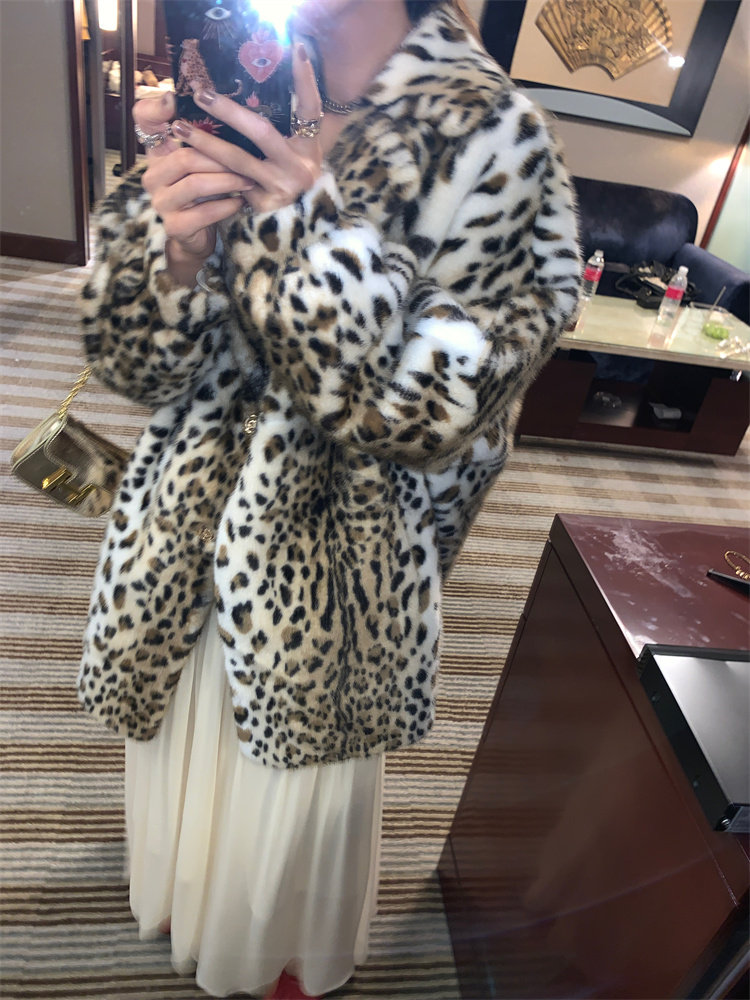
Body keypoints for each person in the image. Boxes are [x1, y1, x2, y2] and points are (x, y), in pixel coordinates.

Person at [77, 0, 580, 996]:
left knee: (291, 802)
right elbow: (133, 366)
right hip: (183, 520)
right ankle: (183, 902)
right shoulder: (239, 76)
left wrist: (309, 233)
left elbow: (432, 412)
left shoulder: (497, 137)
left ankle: (272, 954)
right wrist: (168, 258)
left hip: (335, 568)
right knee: (182, 735)